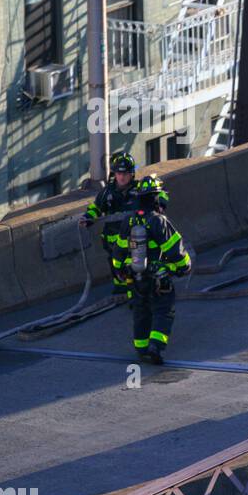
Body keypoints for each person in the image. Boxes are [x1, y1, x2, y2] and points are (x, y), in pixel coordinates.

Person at [111, 176, 192, 364]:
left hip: (136, 277)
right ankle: (155, 346)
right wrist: (184, 267)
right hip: (158, 277)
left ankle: (141, 349)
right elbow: (175, 250)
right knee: (164, 310)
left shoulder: (129, 220)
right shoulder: (158, 221)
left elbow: (118, 251)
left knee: (141, 312)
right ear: (156, 197)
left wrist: (120, 271)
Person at [81, 151, 168, 298]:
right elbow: (96, 208)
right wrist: (87, 218)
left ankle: (136, 296)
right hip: (113, 242)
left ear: (132, 174)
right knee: (117, 267)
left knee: (136, 268)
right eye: (119, 173)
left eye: (126, 173)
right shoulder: (107, 193)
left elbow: (161, 193)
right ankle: (122, 290)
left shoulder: (140, 189)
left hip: (135, 238)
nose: (122, 177)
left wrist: (161, 203)